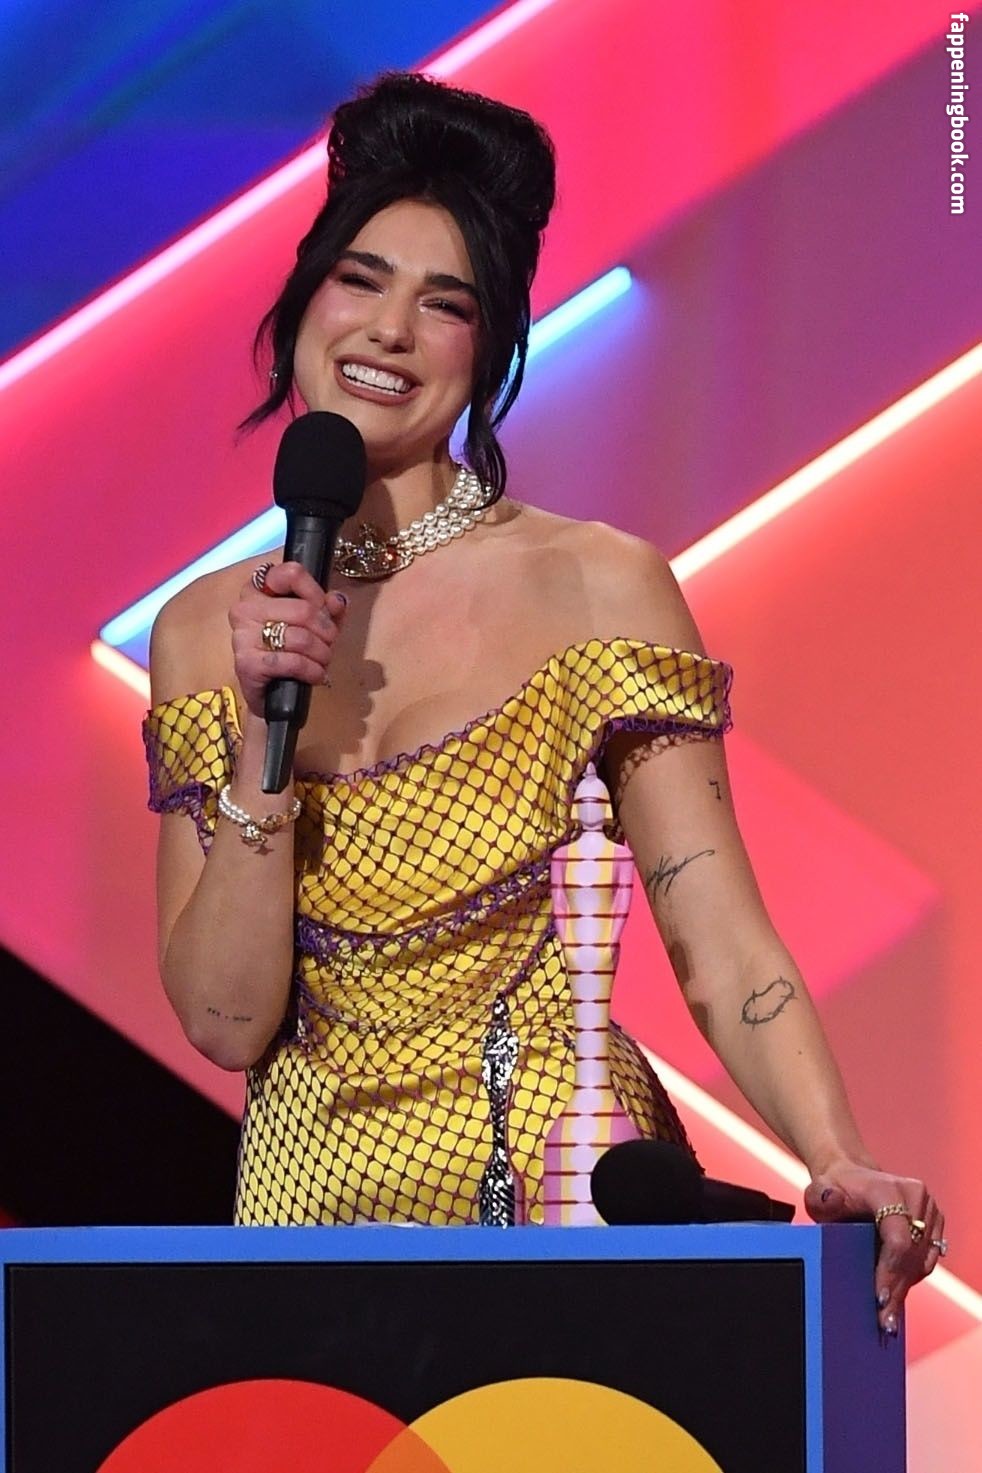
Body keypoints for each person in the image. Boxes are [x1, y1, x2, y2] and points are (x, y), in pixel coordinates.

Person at [144, 70, 943, 1330]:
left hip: (558, 1188)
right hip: (309, 1222)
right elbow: (226, 1020)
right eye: (359, 280)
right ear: (303, 303)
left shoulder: (592, 583)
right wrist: (262, 733)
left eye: (444, 304)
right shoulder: (208, 631)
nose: (388, 331)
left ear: (492, 347)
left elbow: (716, 930)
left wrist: (833, 1153)